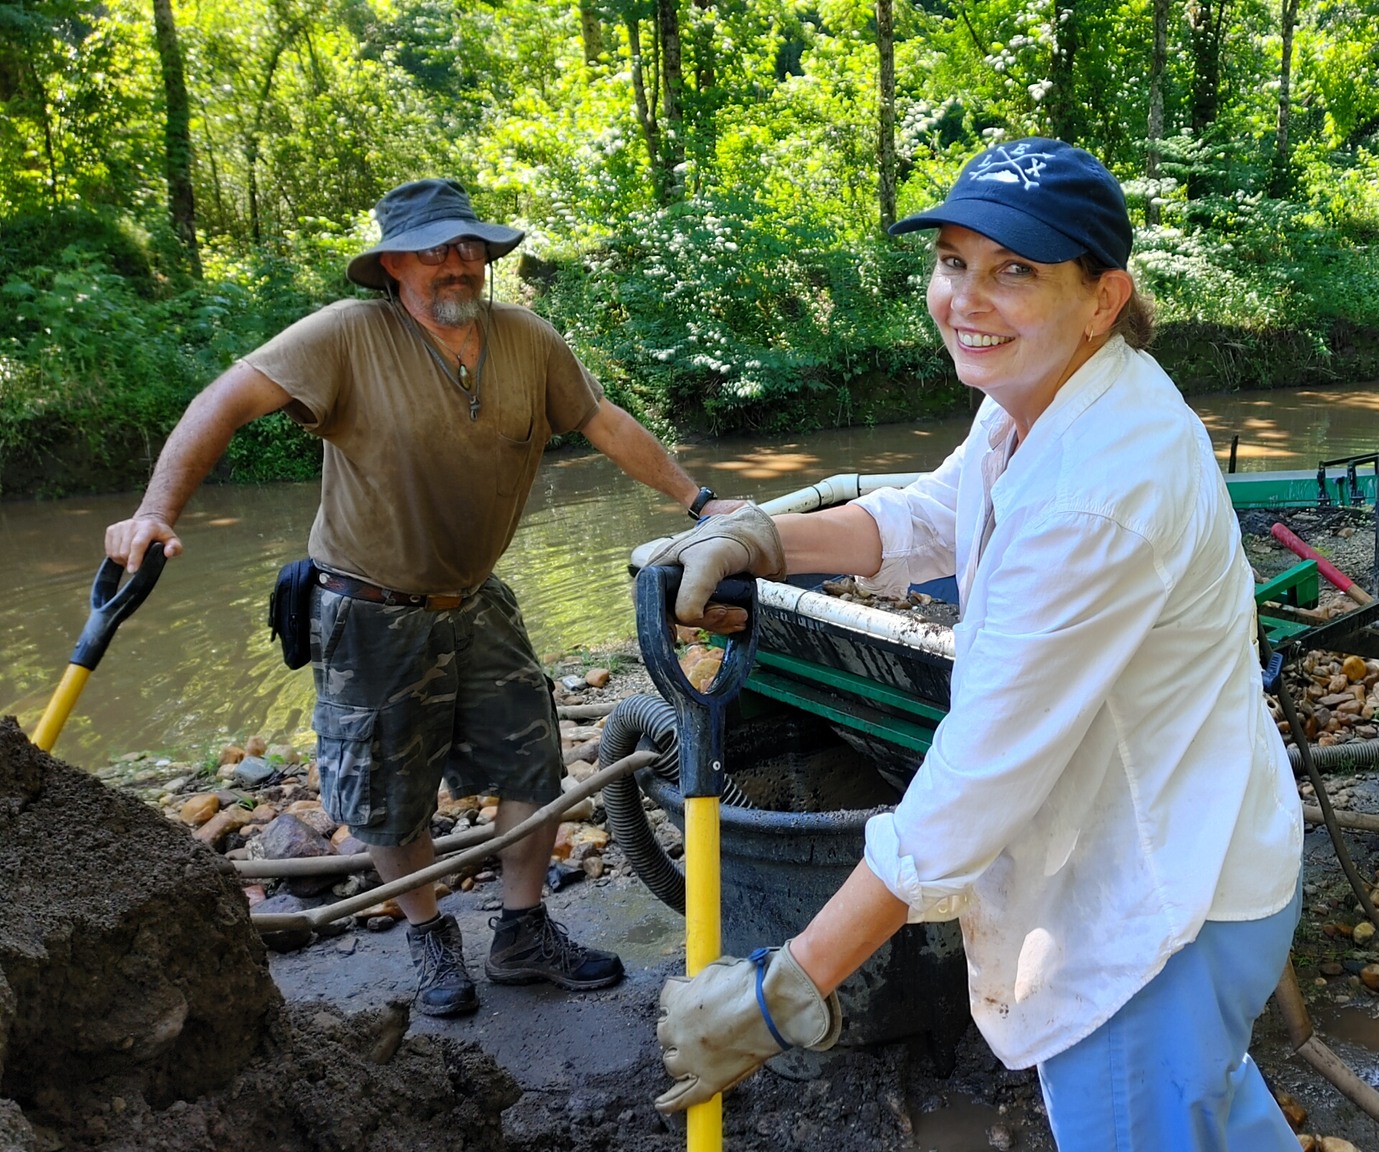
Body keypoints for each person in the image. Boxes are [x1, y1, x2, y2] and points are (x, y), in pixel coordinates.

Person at [648, 138, 1305, 1149]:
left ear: (1101, 296)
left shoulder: (1103, 489)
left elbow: (974, 784)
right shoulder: (1036, 401)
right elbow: (934, 515)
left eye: (1014, 272)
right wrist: (766, 539)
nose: (966, 298)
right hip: (1184, 839)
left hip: (1161, 911)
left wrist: (787, 988)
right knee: (1209, 1115)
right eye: (953, 262)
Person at [103, 179, 742, 1018]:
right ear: (393, 265)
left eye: (470, 248)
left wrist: (701, 505)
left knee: (533, 761)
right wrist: (154, 513)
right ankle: (430, 936)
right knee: (384, 794)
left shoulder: (527, 340)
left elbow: (605, 422)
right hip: (366, 610)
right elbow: (221, 402)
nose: (459, 264)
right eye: (438, 251)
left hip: (478, 601)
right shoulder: (344, 337)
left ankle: (521, 932)